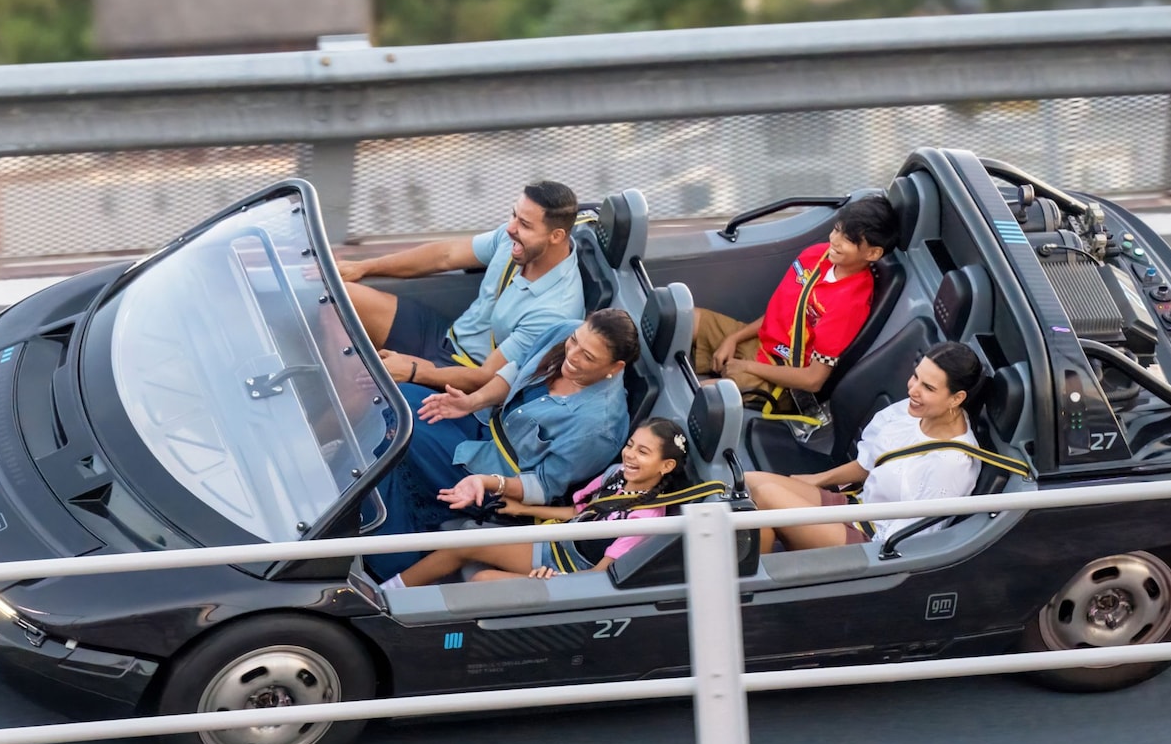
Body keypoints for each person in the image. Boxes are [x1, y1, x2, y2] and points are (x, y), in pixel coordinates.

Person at [366, 308, 640, 579]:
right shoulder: (565, 330)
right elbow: (515, 373)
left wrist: (491, 483)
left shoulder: (600, 427)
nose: (572, 354)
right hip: (483, 422)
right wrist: (470, 402)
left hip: (496, 474)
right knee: (395, 400)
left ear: (615, 368)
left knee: (397, 442)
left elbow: (544, 487)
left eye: (588, 356)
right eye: (575, 342)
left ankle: (390, 562)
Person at [744, 342, 1021, 552]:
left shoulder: (951, 464)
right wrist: (818, 480)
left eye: (928, 387)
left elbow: (910, 542)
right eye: (915, 377)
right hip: (856, 507)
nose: (913, 389)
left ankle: (756, 592)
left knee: (768, 498)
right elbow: (870, 463)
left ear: (955, 398)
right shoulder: (914, 410)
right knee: (749, 483)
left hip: (872, 543)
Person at [381, 418, 699, 588]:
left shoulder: (647, 521)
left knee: (482, 580)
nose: (629, 455)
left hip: (569, 571)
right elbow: (579, 512)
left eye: (643, 452)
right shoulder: (616, 473)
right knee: (465, 542)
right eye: (630, 445)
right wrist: (525, 509)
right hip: (556, 543)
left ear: (666, 466)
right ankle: (390, 592)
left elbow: (602, 575)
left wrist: (557, 580)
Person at [339, 181, 586, 395]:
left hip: (463, 373)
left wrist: (416, 372)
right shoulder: (513, 239)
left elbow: (487, 377)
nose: (511, 228)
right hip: (445, 334)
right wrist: (364, 267)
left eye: (524, 224)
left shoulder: (554, 312)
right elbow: (445, 256)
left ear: (556, 236)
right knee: (340, 299)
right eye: (513, 215)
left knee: (362, 390)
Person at [692, 195, 898, 412]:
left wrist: (748, 367)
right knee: (688, 318)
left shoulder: (849, 304)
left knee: (701, 394)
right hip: (762, 342)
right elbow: (782, 314)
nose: (834, 240)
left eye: (848, 239)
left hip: (784, 377)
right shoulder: (815, 256)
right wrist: (733, 338)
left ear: (873, 253)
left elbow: (813, 380)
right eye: (837, 229)